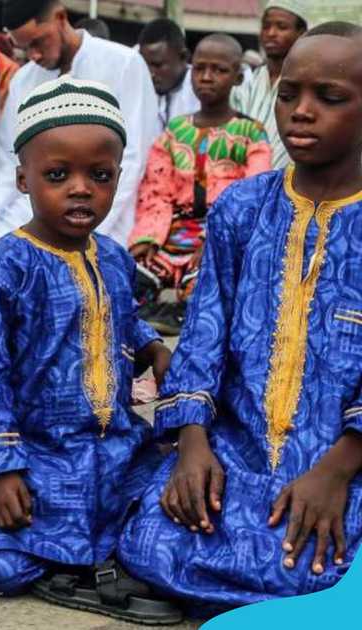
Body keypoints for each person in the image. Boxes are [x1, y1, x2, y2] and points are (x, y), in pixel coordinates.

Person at [118, 22, 362, 610]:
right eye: (288, 94)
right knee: (151, 529)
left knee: (325, 550)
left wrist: (336, 472)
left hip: (347, 459)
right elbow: (203, 335)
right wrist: (193, 446)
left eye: (328, 98)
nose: (301, 113)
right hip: (239, 445)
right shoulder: (242, 208)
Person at [0, 77, 180, 623]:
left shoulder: (116, 258)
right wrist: (1, 471)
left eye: (98, 177)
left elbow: (120, 319)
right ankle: (76, 563)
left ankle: (98, 558)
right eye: (58, 176)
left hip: (117, 448)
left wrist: (152, 348)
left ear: (118, 180)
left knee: (177, 504)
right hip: (38, 455)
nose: (81, 190)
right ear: (23, 178)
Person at [128, 34, 272, 334]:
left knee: (211, 285)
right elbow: (155, 188)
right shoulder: (176, 129)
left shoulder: (251, 133)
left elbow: (252, 194)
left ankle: (181, 311)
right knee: (129, 280)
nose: (207, 77)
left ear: (237, 77)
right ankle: (167, 312)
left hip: (218, 240)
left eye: (219, 70)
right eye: (200, 68)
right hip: (171, 237)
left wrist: (217, 239)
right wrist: (147, 239)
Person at [0, 0, 157, 245]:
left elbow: (133, 159)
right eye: (24, 49)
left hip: (109, 216)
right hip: (34, 213)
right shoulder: (23, 80)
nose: (33, 55)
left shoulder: (123, 64)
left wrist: (87, 229)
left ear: (61, 18)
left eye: (37, 42)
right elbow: (10, 159)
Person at [231, 0, 309, 169]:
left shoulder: (308, 84)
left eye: (281, 27)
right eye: (266, 26)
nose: (271, 33)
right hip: (244, 183)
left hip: (291, 184)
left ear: (301, 33)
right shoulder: (247, 83)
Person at [138, 18, 201, 144]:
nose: (150, 74)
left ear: (183, 57)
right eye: (144, 65)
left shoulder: (200, 92)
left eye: (157, 65)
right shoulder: (139, 89)